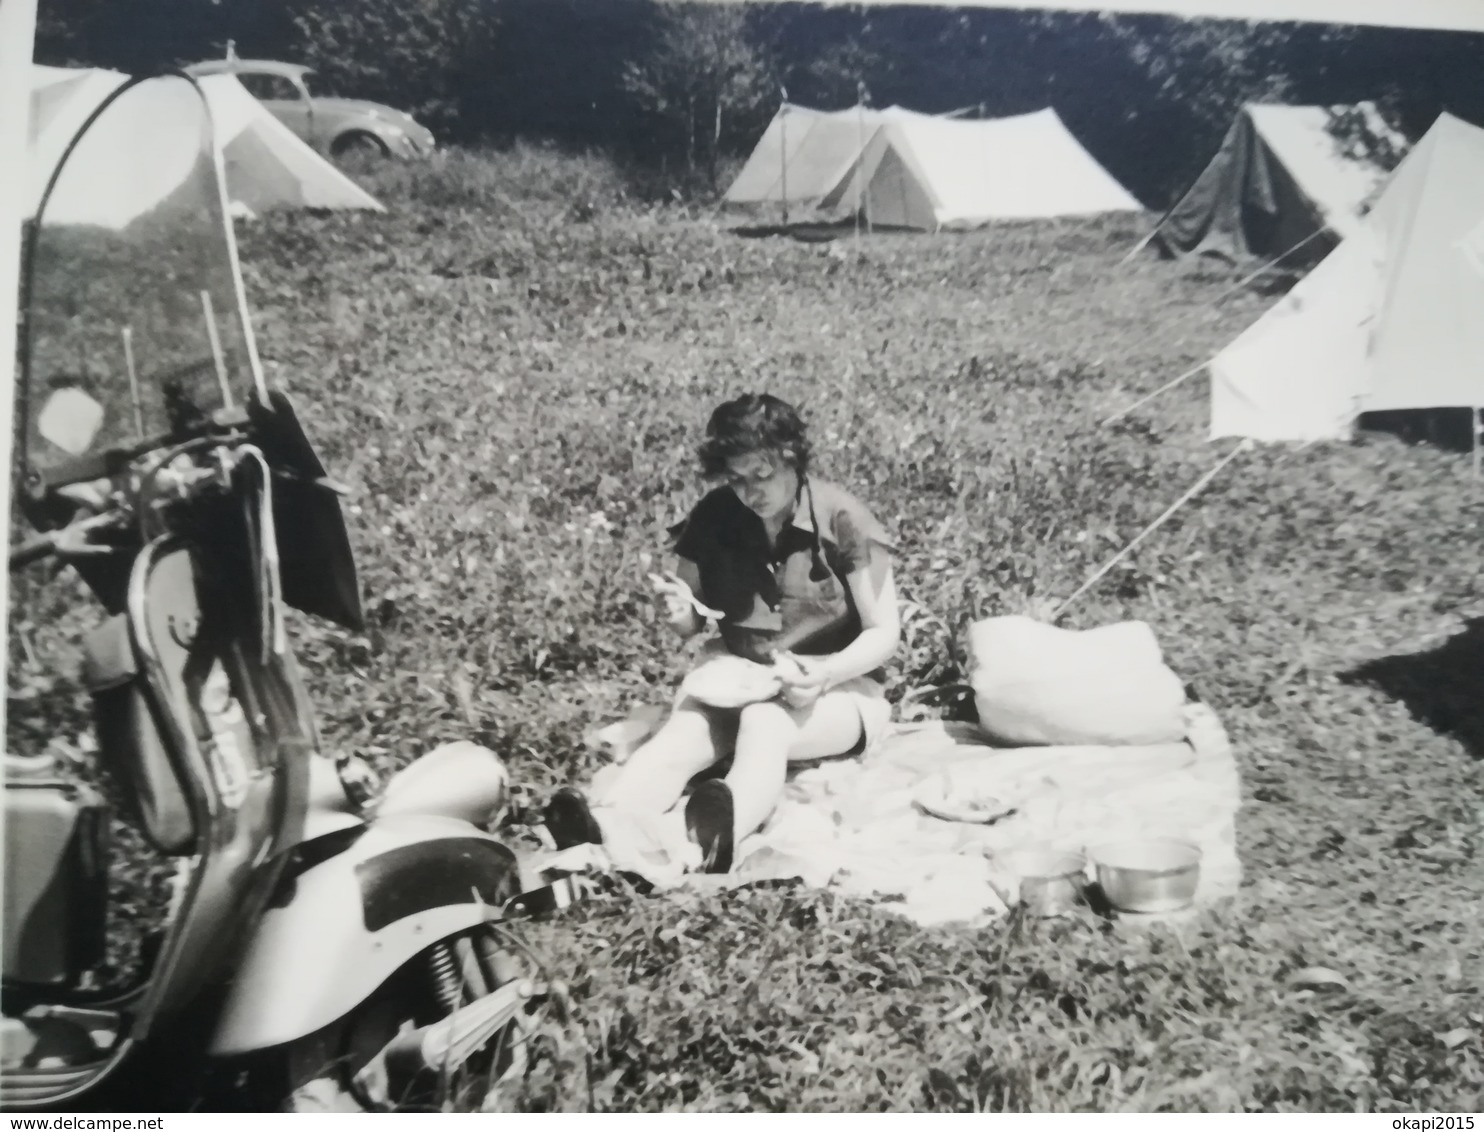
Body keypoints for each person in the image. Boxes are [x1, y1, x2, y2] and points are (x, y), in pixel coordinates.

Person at [544, 393, 901, 873]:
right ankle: (603, 830)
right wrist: (678, 612)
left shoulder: (843, 520)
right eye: (737, 478)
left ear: (794, 460)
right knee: (684, 733)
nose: (753, 491)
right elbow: (691, 619)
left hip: (838, 689)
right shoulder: (715, 516)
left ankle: (706, 842)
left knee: (764, 724)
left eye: (764, 472)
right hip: (736, 678)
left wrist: (825, 673)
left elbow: (884, 633)